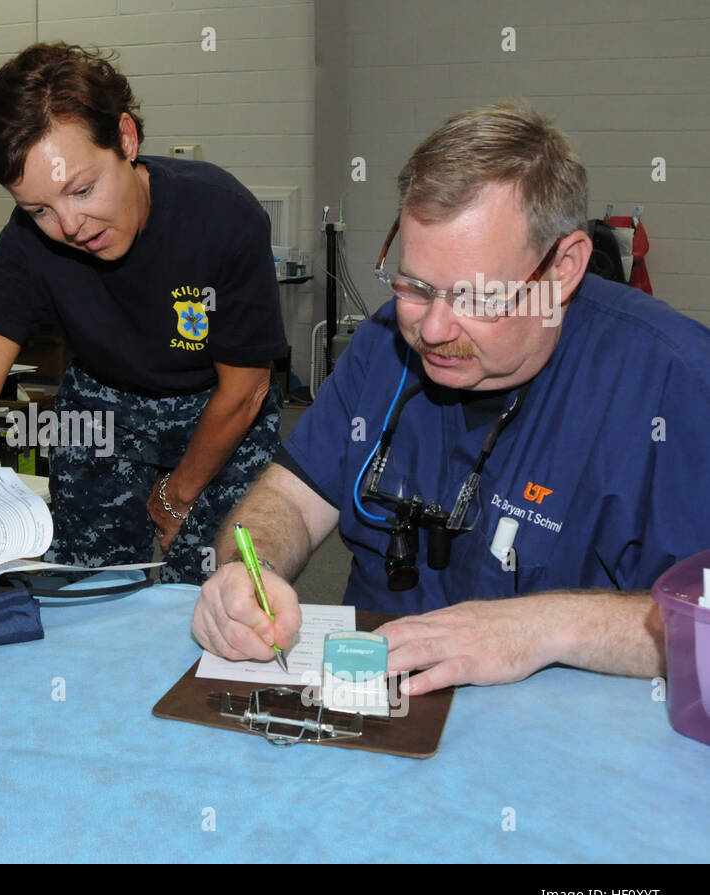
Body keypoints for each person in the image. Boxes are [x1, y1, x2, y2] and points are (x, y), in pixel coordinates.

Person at [192, 100, 710, 694]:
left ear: (563, 267)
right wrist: (243, 574)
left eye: (475, 297)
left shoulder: (676, 385)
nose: (433, 330)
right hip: (374, 711)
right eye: (415, 285)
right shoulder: (385, 343)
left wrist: (542, 628)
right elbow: (289, 498)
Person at [0, 44, 287, 584]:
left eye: (82, 189)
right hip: (103, 409)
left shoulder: (221, 217)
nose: (70, 225)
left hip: (219, 409)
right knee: (88, 592)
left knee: (215, 596)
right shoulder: (26, 244)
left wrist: (176, 496)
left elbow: (244, 389)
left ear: (126, 139)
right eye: (39, 209)